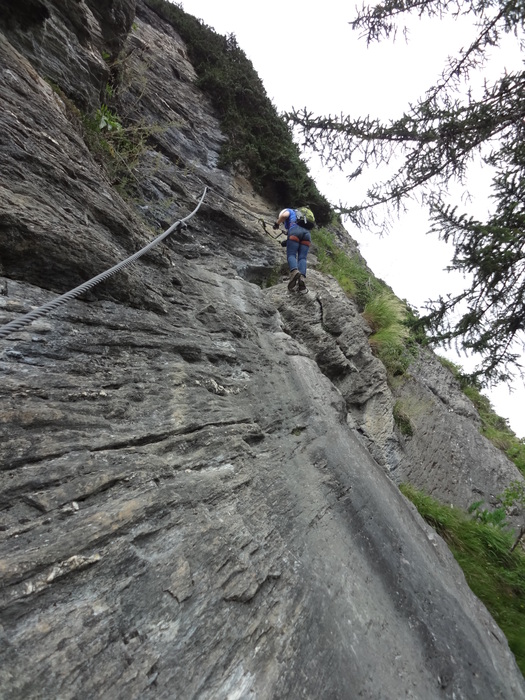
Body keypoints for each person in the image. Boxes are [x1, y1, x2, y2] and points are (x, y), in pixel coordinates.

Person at [273, 208, 311, 292]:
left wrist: (277, 223)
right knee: (302, 258)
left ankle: (294, 272)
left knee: (291, 254)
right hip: (307, 235)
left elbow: (284, 216)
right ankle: (302, 278)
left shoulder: (289, 211)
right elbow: (299, 233)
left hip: (294, 232)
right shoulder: (301, 215)